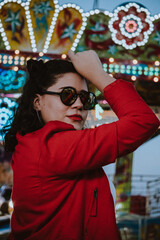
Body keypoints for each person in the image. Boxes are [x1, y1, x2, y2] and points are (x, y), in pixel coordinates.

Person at [4, 50, 159, 240]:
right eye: (67, 95)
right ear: (37, 102)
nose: (78, 104)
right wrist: (98, 74)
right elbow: (142, 120)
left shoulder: (33, 144)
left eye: (85, 98)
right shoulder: (52, 147)